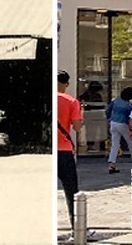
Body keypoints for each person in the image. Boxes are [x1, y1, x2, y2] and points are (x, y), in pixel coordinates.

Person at [56, 71, 83, 231]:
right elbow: (77, 126)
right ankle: (76, 228)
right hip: (64, 150)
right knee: (71, 191)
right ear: (66, 84)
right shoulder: (72, 101)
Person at [106, 86, 132, 173]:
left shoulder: (115, 101)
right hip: (123, 124)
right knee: (131, 143)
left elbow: (108, 110)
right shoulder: (129, 105)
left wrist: (109, 119)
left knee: (114, 144)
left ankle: (111, 164)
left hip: (113, 122)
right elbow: (131, 117)